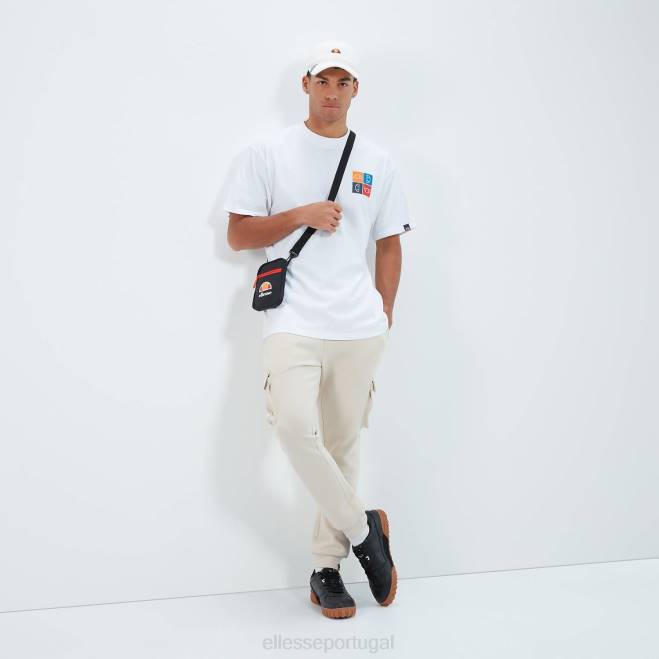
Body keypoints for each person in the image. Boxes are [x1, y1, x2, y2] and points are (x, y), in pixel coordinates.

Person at [223, 40, 416, 619]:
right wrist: (299, 216)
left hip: (359, 326)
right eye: (323, 81)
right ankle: (364, 532)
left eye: (343, 82)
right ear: (305, 85)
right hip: (293, 320)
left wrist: (384, 310)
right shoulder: (268, 152)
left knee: (342, 446)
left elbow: (389, 242)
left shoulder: (377, 160)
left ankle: (326, 569)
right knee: (293, 426)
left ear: (356, 90)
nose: (332, 92)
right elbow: (238, 234)